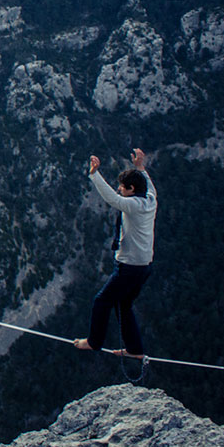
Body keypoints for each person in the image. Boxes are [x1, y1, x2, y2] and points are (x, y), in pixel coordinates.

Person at [73, 148, 157, 359]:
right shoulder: (150, 198)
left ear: (131, 189)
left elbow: (112, 199)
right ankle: (135, 349)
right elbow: (146, 183)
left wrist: (94, 174)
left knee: (101, 301)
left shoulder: (134, 205)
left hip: (129, 267)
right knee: (123, 304)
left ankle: (94, 342)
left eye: (122, 187)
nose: (120, 189)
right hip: (144, 266)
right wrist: (140, 167)